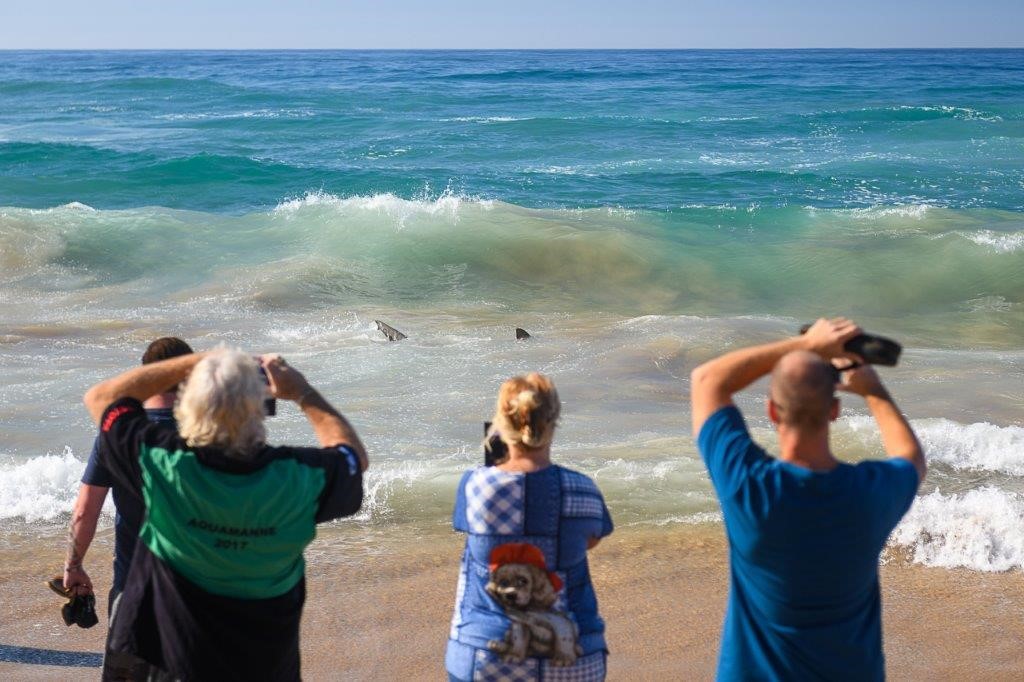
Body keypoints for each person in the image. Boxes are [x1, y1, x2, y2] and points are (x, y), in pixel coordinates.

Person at [80, 347, 368, 681]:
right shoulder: (298, 477)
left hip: (174, 665)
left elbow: (101, 397)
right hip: (268, 669)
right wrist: (302, 392)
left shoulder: (164, 465)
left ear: (189, 405)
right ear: (260, 409)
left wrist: (201, 361)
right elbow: (352, 457)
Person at [690, 318, 926, 681]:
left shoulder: (749, 487)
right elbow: (911, 458)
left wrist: (809, 344)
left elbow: (707, 381)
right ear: (834, 411)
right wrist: (873, 390)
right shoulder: (867, 494)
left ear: (771, 411)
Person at [445, 373, 613, 682]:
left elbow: (471, 530)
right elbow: (591, 540)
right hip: (573, 660)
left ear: (499, 425)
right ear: (553, 421)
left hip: (484, 655)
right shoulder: (583, 489)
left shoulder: (474, 485)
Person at [65, 337, 192, 679]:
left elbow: (84, 511)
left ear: (144, 377)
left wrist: (74, 566)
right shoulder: (211, 434)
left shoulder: (118, 433)